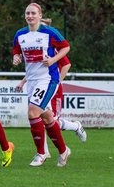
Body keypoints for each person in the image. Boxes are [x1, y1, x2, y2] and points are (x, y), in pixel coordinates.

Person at [16, 18, 87, 159]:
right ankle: (45, 151)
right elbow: (33, 71)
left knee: (52, 120)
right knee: (40, 117)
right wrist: (23, 82)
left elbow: (67, 65)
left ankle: (75, 127)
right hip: (39, 85)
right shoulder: (35, 46)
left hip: (52, 86)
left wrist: (58, 81)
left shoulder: (54, 49)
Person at [12, 3, 71, 167]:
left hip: (48, 79)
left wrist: (53, 60)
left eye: (33, 13)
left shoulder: (50, 32)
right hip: (32, 81)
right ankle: (63, 150)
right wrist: (16, 58)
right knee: (47, 117)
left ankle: (41, 153)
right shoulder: (20, 34)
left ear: (40, 15)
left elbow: (66, 47)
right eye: (27, 13)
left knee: (32, 112)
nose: (30, 16)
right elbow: (16, 52)